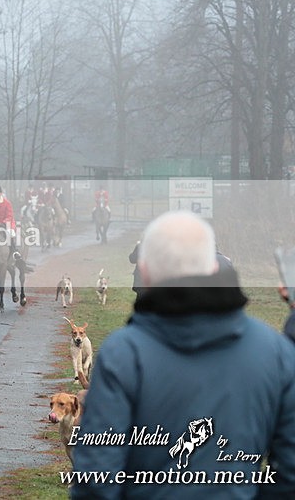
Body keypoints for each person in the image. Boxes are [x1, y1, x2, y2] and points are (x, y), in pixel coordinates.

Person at [71, 210, 295, 499]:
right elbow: (289, 473)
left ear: (145, 271)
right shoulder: (276, 352)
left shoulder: (122, 354)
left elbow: (96, 481)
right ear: (215, 267)